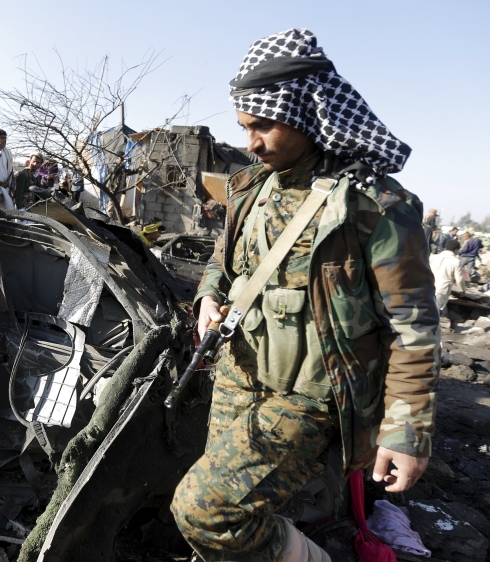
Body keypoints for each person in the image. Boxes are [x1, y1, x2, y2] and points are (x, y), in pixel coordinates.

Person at [170, 29, 438, 562]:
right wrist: (207, 300)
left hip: (312, 399)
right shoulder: (250, 187)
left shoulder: (374, 204)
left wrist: (406, 431)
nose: (251, 142)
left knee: (205, 511)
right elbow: (222, 265)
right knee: (235, 516)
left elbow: (413, 327)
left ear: (306, 112)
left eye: (263, 126)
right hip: (238, 378)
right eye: (245, 127)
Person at [430, 239, 464, 317]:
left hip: (428, 286)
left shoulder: (432, 257)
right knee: (435, 311)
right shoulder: (456, 261)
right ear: (456, 250)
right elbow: (459, 279)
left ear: (445, 248)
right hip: (442, 289)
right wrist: (462, 289)